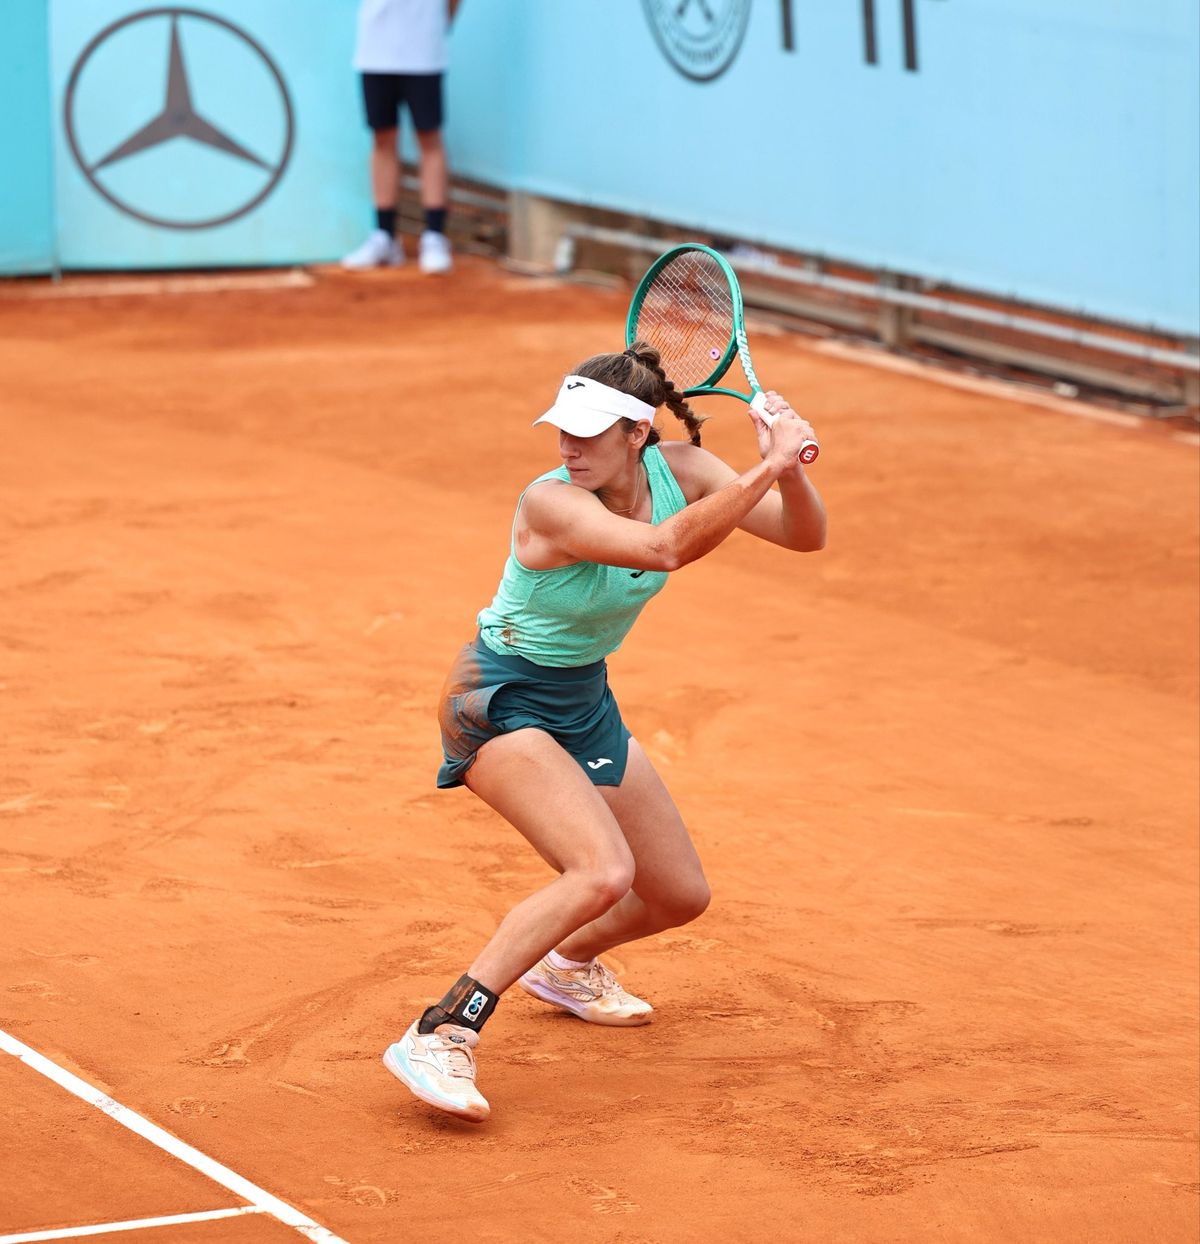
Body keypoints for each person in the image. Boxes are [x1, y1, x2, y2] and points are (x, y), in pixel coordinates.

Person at [382, 342, 826, 1121]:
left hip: (584, 699)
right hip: (501, 699)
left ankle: (570, 964)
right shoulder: (550, 502)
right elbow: (664, 549)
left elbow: (803, 536)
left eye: (588, 434)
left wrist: (788, 468)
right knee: (600, 873)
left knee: (679, 895)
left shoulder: (681, 472)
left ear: (636, 434)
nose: (567, 447)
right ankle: (441, 1030)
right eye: (562, 430)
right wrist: (764, 465)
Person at [342, 0, 461, 274]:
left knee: (429, 138)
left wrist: (438, 25)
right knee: (382, 138)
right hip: (374, 51)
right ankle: (384, 236)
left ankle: (434, 236)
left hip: (425, 54)